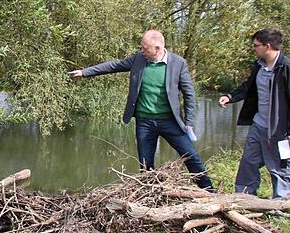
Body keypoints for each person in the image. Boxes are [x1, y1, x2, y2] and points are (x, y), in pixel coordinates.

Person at [69, 30, 214, 190]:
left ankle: (209, 192)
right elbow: (113, 65)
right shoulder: (138, 60)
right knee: (145, 165)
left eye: (145, 48)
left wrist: (189, 123)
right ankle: (150, 196)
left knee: (191, 157)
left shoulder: (178, 63)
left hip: (170, 121)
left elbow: (189, 95)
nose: (141, 50)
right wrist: (85, 72)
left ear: (157, 48)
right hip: (144, 122)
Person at [218, 28, 290, 199]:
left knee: (279, 169)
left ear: (267, 46)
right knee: (248, 164)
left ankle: (280, 207)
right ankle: (243, 199)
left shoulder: (287, 68)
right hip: (259, 125)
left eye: (256, 46)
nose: (254, 48)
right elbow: (248, 86)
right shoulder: (258, 66)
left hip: (281, 131)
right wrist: (230, 97)